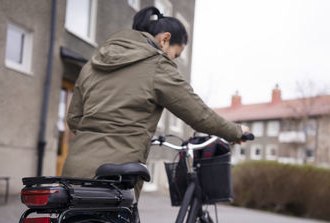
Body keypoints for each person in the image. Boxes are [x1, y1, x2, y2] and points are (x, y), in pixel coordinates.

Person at [62, 6, 250, 199]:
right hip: (116, 175)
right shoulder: (157, 65)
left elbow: (75, 119)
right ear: (164, 40)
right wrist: (236, 132)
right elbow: (200, 115)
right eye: (175, 55)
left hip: (74, 170)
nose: (173, 61)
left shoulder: (92, 64)